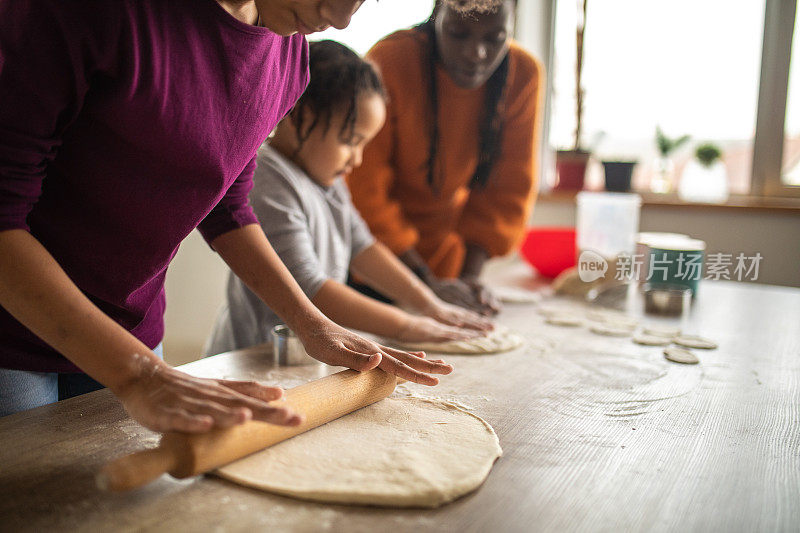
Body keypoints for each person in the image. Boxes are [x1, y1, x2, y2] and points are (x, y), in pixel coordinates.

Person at [0, 0, 459, 432]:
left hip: (131, 326)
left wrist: (313, 324)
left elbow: (229, 202)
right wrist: (138, 375)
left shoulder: (287, 54)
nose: (342, 19)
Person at [206, 41, 493, 357]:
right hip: (253, 358)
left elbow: (364, 247)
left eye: (364, 145)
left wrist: (428, 304)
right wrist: (407, 326)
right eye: (349, 141)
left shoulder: (328, 180)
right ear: (299, 115)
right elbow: (312, 290)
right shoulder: (267, 179)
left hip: (306, 354)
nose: (356, 160)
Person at [347, 0, 544, 317]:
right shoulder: (392, 60)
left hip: (447, 266)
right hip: (372, 261)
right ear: (437, 17)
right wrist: (422, 282)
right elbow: (363, 190)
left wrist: (468, 280)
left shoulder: (523, 73)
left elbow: (506, 193)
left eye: (494, 38)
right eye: (458, 33)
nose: (475, 53)